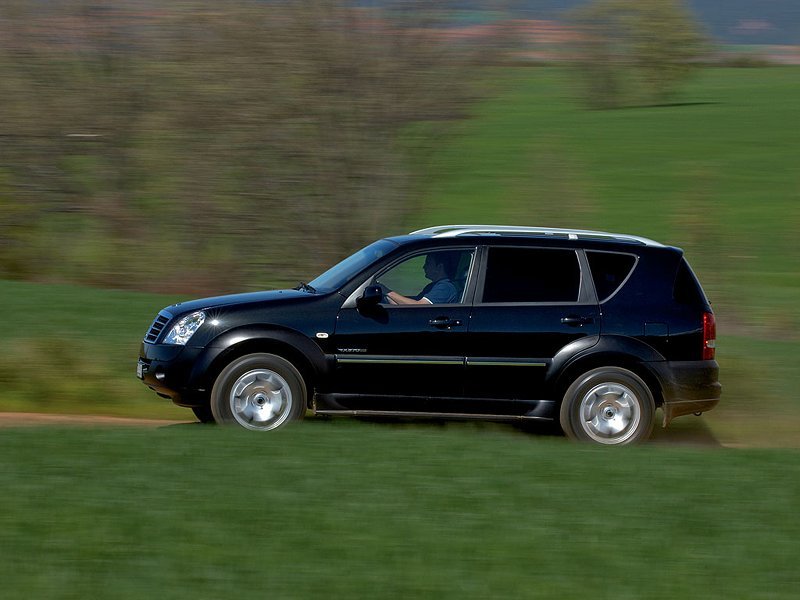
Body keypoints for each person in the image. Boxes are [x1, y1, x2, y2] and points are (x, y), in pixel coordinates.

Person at [382, 252, 460, 305]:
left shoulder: (444, 288)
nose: (424, 267)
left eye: (428, 263)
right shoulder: (432, 286)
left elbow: (418, 306)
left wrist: (388, 292)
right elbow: (405, 304)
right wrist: (384, 296)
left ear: (439, 267)